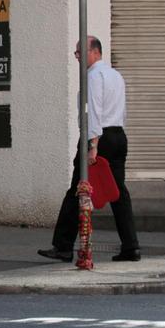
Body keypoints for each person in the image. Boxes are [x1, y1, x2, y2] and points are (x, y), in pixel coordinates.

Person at [38, 36, 141, 263]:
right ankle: (131, 246)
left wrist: (93, 145)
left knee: (78, 189)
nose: (76, 57)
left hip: (98, 137)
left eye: (78, 52)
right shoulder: (116, 75)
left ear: (93, 51)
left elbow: (93, 111)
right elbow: (121, 110)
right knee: (118, 193)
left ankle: (63, 246)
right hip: (117, 135)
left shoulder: (93, 77)